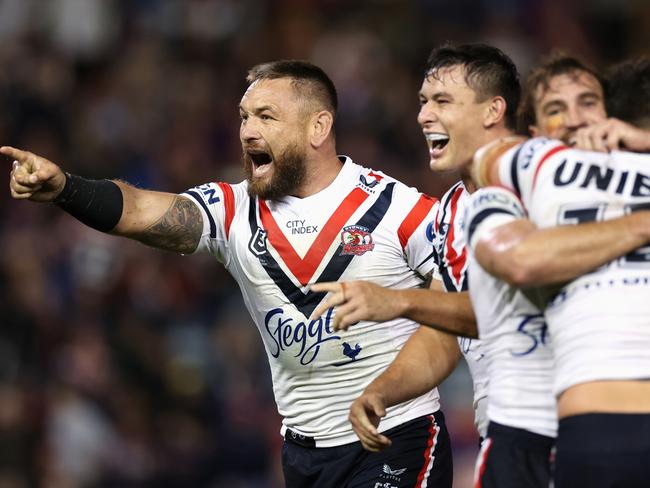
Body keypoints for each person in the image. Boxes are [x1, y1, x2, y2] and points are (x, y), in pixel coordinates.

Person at [3, 60, 455, 487]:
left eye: (265, 116)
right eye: (243, 118)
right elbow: (140, 210)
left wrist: (384, 392)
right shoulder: (233, 210)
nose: (248, 132)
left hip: (398, 438)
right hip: (304, 455)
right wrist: (66, 188)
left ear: (318, 126)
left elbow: (455, 317)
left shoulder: (399, 211)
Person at [312, 45, 650, 487]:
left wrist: (396, 301)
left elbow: (498, 297)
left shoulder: (558, 181)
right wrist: (382, 390)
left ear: (494, 110)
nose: (424, 116)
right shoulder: (449, 213)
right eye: (422, 102)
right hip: (509, 426)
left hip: (575, 422)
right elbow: (442, 330)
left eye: (442, 101)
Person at [471, 90, 650, 486]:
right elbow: (520, 260)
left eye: (588, 104)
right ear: (533, 134)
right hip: (542, 427)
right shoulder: (517, 185)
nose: (574, 119)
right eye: (556, 110)